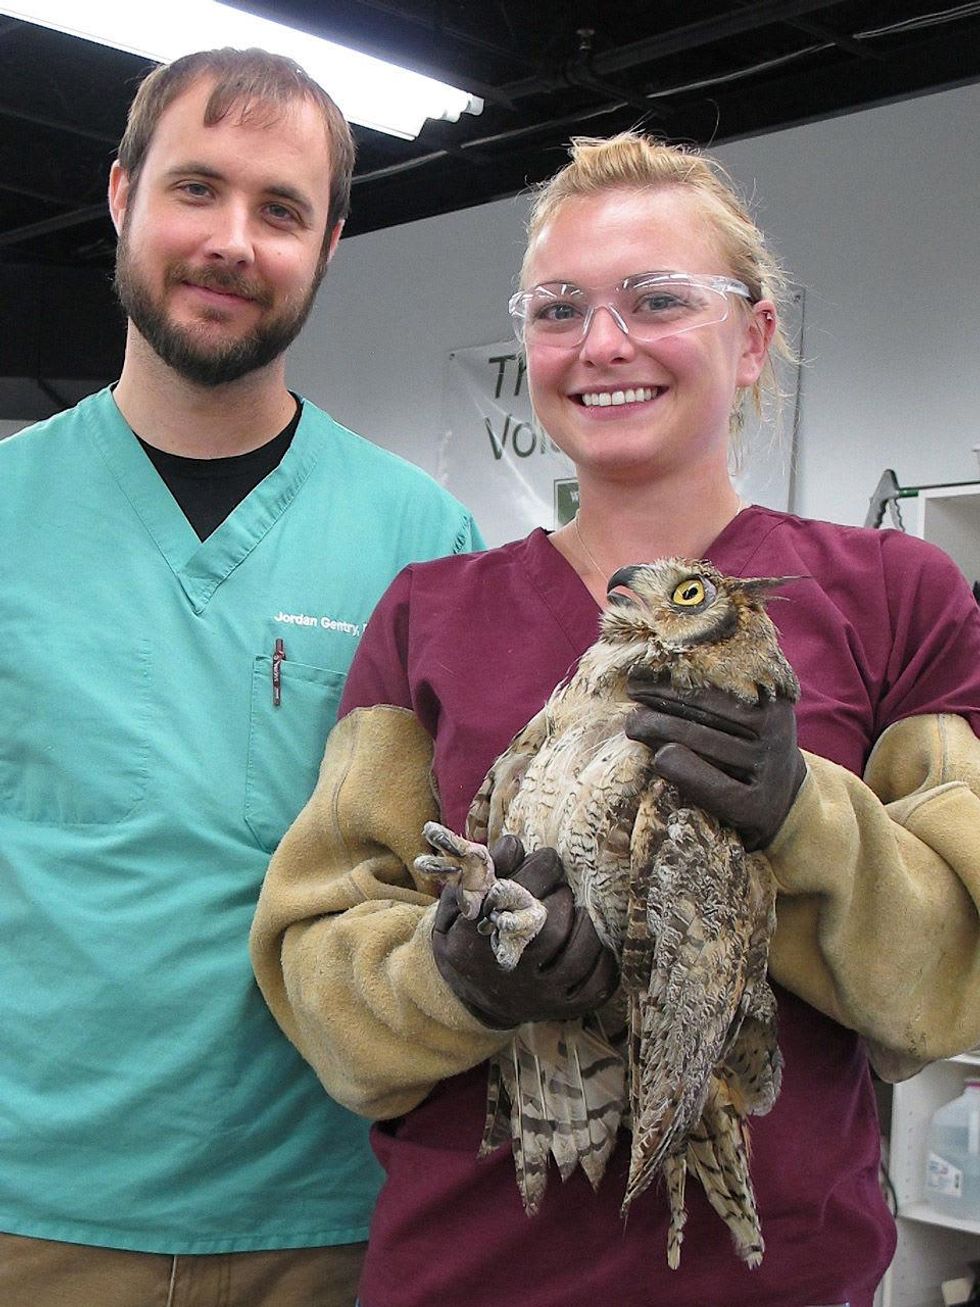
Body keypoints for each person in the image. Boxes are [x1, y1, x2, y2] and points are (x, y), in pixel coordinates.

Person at [250, 133, 980, 1307]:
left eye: (655, 300)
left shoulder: (895, 598)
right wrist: (455, 979)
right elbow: (317, 963)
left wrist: (807, 818)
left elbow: (952, 978)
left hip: (776, 1278)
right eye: (557, 309)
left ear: (751, 339)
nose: (601, 343)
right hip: (468, 1271)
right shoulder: (431, 613)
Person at [0, 46, 481, 1307]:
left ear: (328, 243)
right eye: (195, 190)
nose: (231, 240)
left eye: (279, 210)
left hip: (327, 1212)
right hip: (32, 1210)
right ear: (120, 197)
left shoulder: (423, 540)